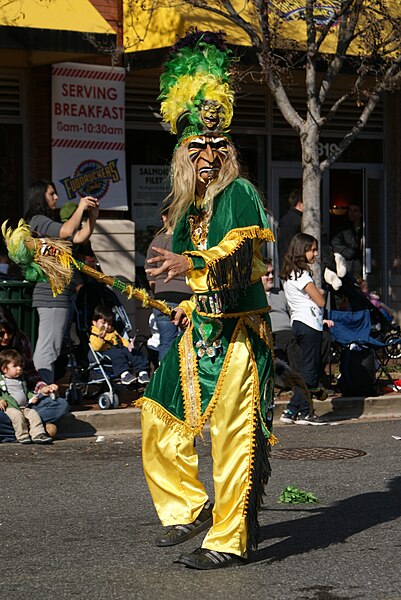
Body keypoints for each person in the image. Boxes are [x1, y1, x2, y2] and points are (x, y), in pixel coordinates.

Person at [137, 29, 275, 570]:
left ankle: (227, 540)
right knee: (158, 411)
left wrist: (189, 266)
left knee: (232, 439)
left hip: (241, 335)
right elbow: (195, 275)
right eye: (198, 148)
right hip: (201, 330)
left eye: (219, 149)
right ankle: (187, 510)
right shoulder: (185, 209)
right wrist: (187, 300)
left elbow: (241, 257)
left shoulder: (239, 195)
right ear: (181, 155)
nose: (210, 158)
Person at [23, 180, 99, 384]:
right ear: (40, 197)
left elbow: (78, 237)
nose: (56, 197)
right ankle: (43, 391)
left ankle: (44, 389)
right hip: (51, 295)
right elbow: (66, 232)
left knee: (53, 347)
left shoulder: (47, 221)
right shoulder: (37, 220)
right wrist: (81, 206)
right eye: (51, 194)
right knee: (49, 347)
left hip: (60, 294)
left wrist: (92, 216)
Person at [280, 233, 334, 425]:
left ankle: (297, 411)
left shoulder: (289, 274)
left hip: (298, 322)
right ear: (301, 251)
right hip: (310, 323)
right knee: (310, 371)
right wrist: (323, 291)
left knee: (304, 369)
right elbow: (320, 301)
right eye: (311, 249)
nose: (315, 253)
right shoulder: (302, 274)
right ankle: (297, 410)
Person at [0, 306, 69, 442]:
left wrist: (43, 388)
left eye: (10, 332)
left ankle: (20, 431)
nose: (6, 337)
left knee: (60, 405)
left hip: (25, 403)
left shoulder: (21, 340)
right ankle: (36, 430)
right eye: (1, 334)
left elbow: (31, 373)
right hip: (4, 405)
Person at [145, 200, 192, 361]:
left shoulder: (156, 242)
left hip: (162, 299)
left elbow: (150, 276)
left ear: (164, 218)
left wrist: (158, 289)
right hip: (187, 298)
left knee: (166, 343)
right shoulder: (188, 241)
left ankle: (164, 382)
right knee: (190, 344)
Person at [0, 349, 53, 444]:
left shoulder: (21, 379)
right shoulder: (2, 380)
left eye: (20, 366)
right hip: (10, 408)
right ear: (4, 369)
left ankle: (38, 434)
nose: (19, 368)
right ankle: (22, 435)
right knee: (17, 416)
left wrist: (32, 396)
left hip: (24, 407)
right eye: (15, 366)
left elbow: (26, 391)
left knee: (33, 414)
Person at [89, 304, 150, 385]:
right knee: (118, 355)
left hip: (119, 348)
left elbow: (122, 339)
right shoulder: (95, 334)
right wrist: (101, 337)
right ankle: (124, 375)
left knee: (135, 354)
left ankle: (142, 372)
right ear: (94, 322)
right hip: (106, 351)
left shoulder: (113, 331)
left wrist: (128, 345)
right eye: (103, 323)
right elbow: (96, 347)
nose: (107, 326)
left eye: (109, 324)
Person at [331, 203, 363, 279]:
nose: (352, 213)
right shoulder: (341, 229)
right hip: (347, 267)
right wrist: (357, 252)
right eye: (350, 210)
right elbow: (336, 245)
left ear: (360, 213)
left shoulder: (366, 230)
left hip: (363, 267)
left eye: (355, 210)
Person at [277, 189, 303, 270]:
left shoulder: (286, 219)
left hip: (287, 264)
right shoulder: (297, 220)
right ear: (300, 204)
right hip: (293, 266)